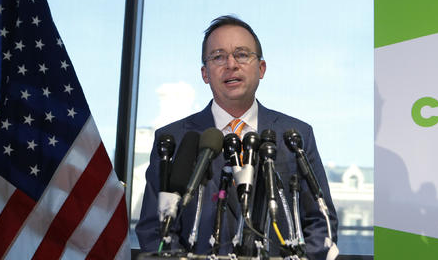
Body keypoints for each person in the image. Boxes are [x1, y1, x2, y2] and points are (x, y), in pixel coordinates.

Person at [136, 15, 338, 259]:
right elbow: (154, 228)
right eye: (218, 57)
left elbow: (321, 222)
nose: (231, 64)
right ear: (205, 73)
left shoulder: (295, 135)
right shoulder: (175, 139)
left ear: (261, 68)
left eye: (242, 54)